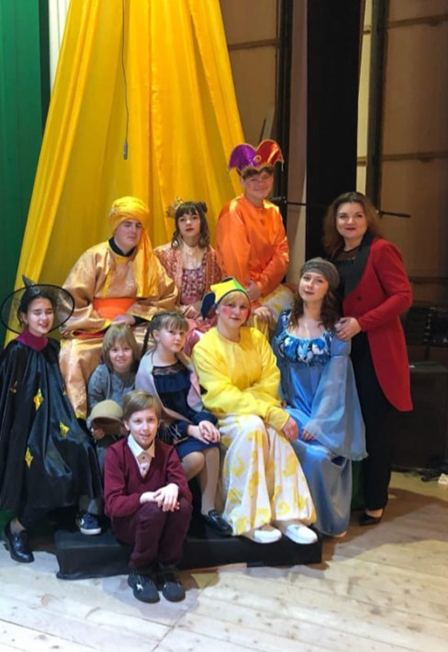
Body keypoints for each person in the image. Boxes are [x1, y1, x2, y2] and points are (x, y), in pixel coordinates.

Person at [192, 278, 316, 544]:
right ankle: (247, 518)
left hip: (259, 409)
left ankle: (287, 514)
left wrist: (263, 408)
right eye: (230, 305)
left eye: (242, 307)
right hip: (224, 415)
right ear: (217, 309)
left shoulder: (257, 338)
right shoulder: (205, 347)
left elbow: (270, 379)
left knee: (273, 431)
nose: (237, 312)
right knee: (253, 428)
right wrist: (265, 410)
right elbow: (221, 394)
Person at [323, 191, 413, 525]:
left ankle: (375, 500)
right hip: (345, 351)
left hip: (375, 348)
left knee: (375, 426)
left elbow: (403, 296)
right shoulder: (335, 255)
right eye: (343, 216)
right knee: (349, 424)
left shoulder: (381, 250)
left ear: (368, 219)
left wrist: (362, 322)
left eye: (358, 215)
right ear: (335, 221)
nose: (351, 222)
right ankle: (353, 495)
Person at [0, 279, 103, 564]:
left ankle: (84, 513)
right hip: (26, 431)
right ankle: (17, 528)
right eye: (37, 313)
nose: (44, 318)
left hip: (57, 423)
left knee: (82, 446)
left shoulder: (54, 348)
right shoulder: (16, 352)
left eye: (48, 312)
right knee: (47, 467)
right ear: (24, 317)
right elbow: (10, 402)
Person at [60, 196, 178, 419]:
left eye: (138, 225)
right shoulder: (94, 257)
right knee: (74, 354)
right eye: (127, 224)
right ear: (115, 227)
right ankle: (82, 420)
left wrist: (134, 317)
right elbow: (70, 302)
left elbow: (167, 297)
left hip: (135, 327)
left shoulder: (148, 260)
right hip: (96, 326)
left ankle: (157, 417)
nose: (133, 231)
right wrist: (105, 323)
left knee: (162, 346)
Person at [273, 258, 366, 537]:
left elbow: (335, 384)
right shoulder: (284, 320)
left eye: (318, 281)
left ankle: (321, 520)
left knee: (316, 456)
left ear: (328, 289)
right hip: (291, 405)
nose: (310, 285)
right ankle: (288, 517)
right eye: (306, 278)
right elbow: (275, 366)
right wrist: (277, 402)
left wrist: (319, 422)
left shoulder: (337, 330)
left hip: (326, 413)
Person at [136, 311, 232, 536]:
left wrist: (204, 422)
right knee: (196, 458)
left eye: (182, 333)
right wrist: (189, 429)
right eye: (172, 332)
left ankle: (208, 509)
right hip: (161, 434)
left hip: (187, 427)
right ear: (157, 335)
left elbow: (195, 404)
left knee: (211, 446)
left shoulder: (185, 364)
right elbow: (150, 419)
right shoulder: (147, 372)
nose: (178, 338)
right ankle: (161, 495)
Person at [104, 390, 192, 603]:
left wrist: (174, 487)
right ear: (126, 424)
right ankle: (140, 570)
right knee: (153, 510)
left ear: (158, 423)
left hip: (159, 521)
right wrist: (144, 498)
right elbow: (113, 505)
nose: (145, 428)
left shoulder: (167, 451)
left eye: (151, 420)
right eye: (138, 421)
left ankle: (167, 567)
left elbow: (185, 491)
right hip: (131, 523)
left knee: (182, 506)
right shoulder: (115, 453)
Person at [215, 139, 294, 324]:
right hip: (239, 289)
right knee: (260, 318)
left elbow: (281, 255)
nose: (261, 183)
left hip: (265, 287)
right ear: (242, 182)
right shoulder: (233, 211)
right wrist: (250, 299)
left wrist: (261, 285)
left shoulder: (273, 211)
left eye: (265, 177)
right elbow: (235, 261)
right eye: (253, 179)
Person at [155, 201, 221, 354]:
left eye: (194, 218)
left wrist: (202, 305)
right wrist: (180, 309)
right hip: (173, 313)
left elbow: (218, 289)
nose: (188, 223)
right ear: (177, 225)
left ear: (202, 221)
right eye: (183, 219)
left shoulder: (213, 256)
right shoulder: (162, 255)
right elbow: (158, 294)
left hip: (205, 314)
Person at [87, 324, 139, 469]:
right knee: (105, 454)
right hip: (106, 434)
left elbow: (145, 407)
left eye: (126, 349)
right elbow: (92, 409)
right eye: (115, 350)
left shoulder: (140, 373)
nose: (120, 355)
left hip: (135, 433)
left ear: (133, 351)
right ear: (107, 352)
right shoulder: (100, 374)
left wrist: (130, 429)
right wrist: (94, 430)